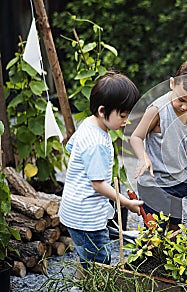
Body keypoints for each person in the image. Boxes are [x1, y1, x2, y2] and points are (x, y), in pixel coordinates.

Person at [58, 71, 143, 271]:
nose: (126, 121)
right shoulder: (96, 142)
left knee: (86, 254)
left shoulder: (88, 124)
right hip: (86, 216)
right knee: (99, 260)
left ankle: (79, 284)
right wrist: (127, 202)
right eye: (122, 115)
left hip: (76, 209)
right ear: (103, 111)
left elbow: (71, 148)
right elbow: (97, 184)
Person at [130, 57, 187, 229]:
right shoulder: (158, 110)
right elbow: (136, 137)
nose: (185, 107)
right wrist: (142, 156)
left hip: (179, 182)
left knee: (176, 228)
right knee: (156, 232)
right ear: (172, 84)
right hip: (155, 184)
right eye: (181, 100)